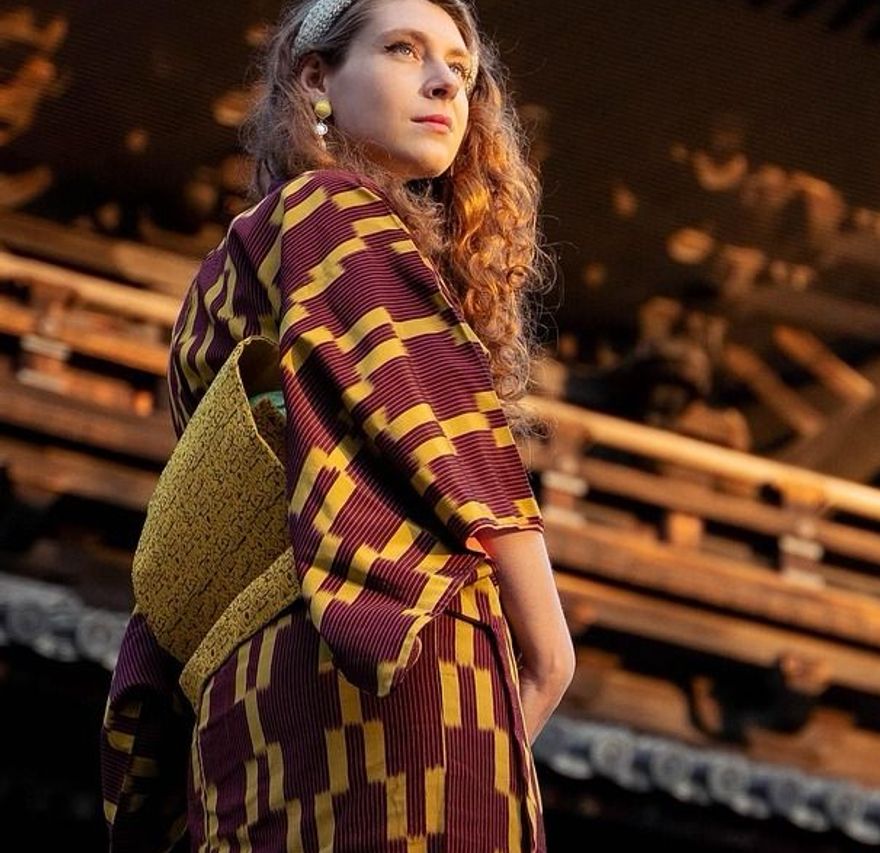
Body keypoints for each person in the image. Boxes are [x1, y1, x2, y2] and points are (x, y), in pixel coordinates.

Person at [99, 1, 573, 849]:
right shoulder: (334, 210)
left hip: (246, 688)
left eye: (461, 70)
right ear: (316, 76)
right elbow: (434, 413)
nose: (445, 84)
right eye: (404, 50)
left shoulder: (230, 268)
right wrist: (546, 643)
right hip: (392, 648)